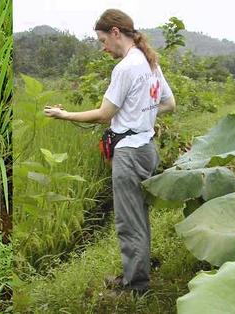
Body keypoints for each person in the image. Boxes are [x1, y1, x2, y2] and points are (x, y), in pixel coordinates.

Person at [43, 8, 176, 295]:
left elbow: (104, 115)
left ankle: (135, 286)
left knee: (128, 221)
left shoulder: (126, 67)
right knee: (138, 215)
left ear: (116, 33)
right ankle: (135, 273)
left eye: (103, 40)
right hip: (147, 148)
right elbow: (169, 103)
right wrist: (142, 117)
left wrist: (64, 116)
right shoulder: (150, 62)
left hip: (129, 153)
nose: (103, 47)